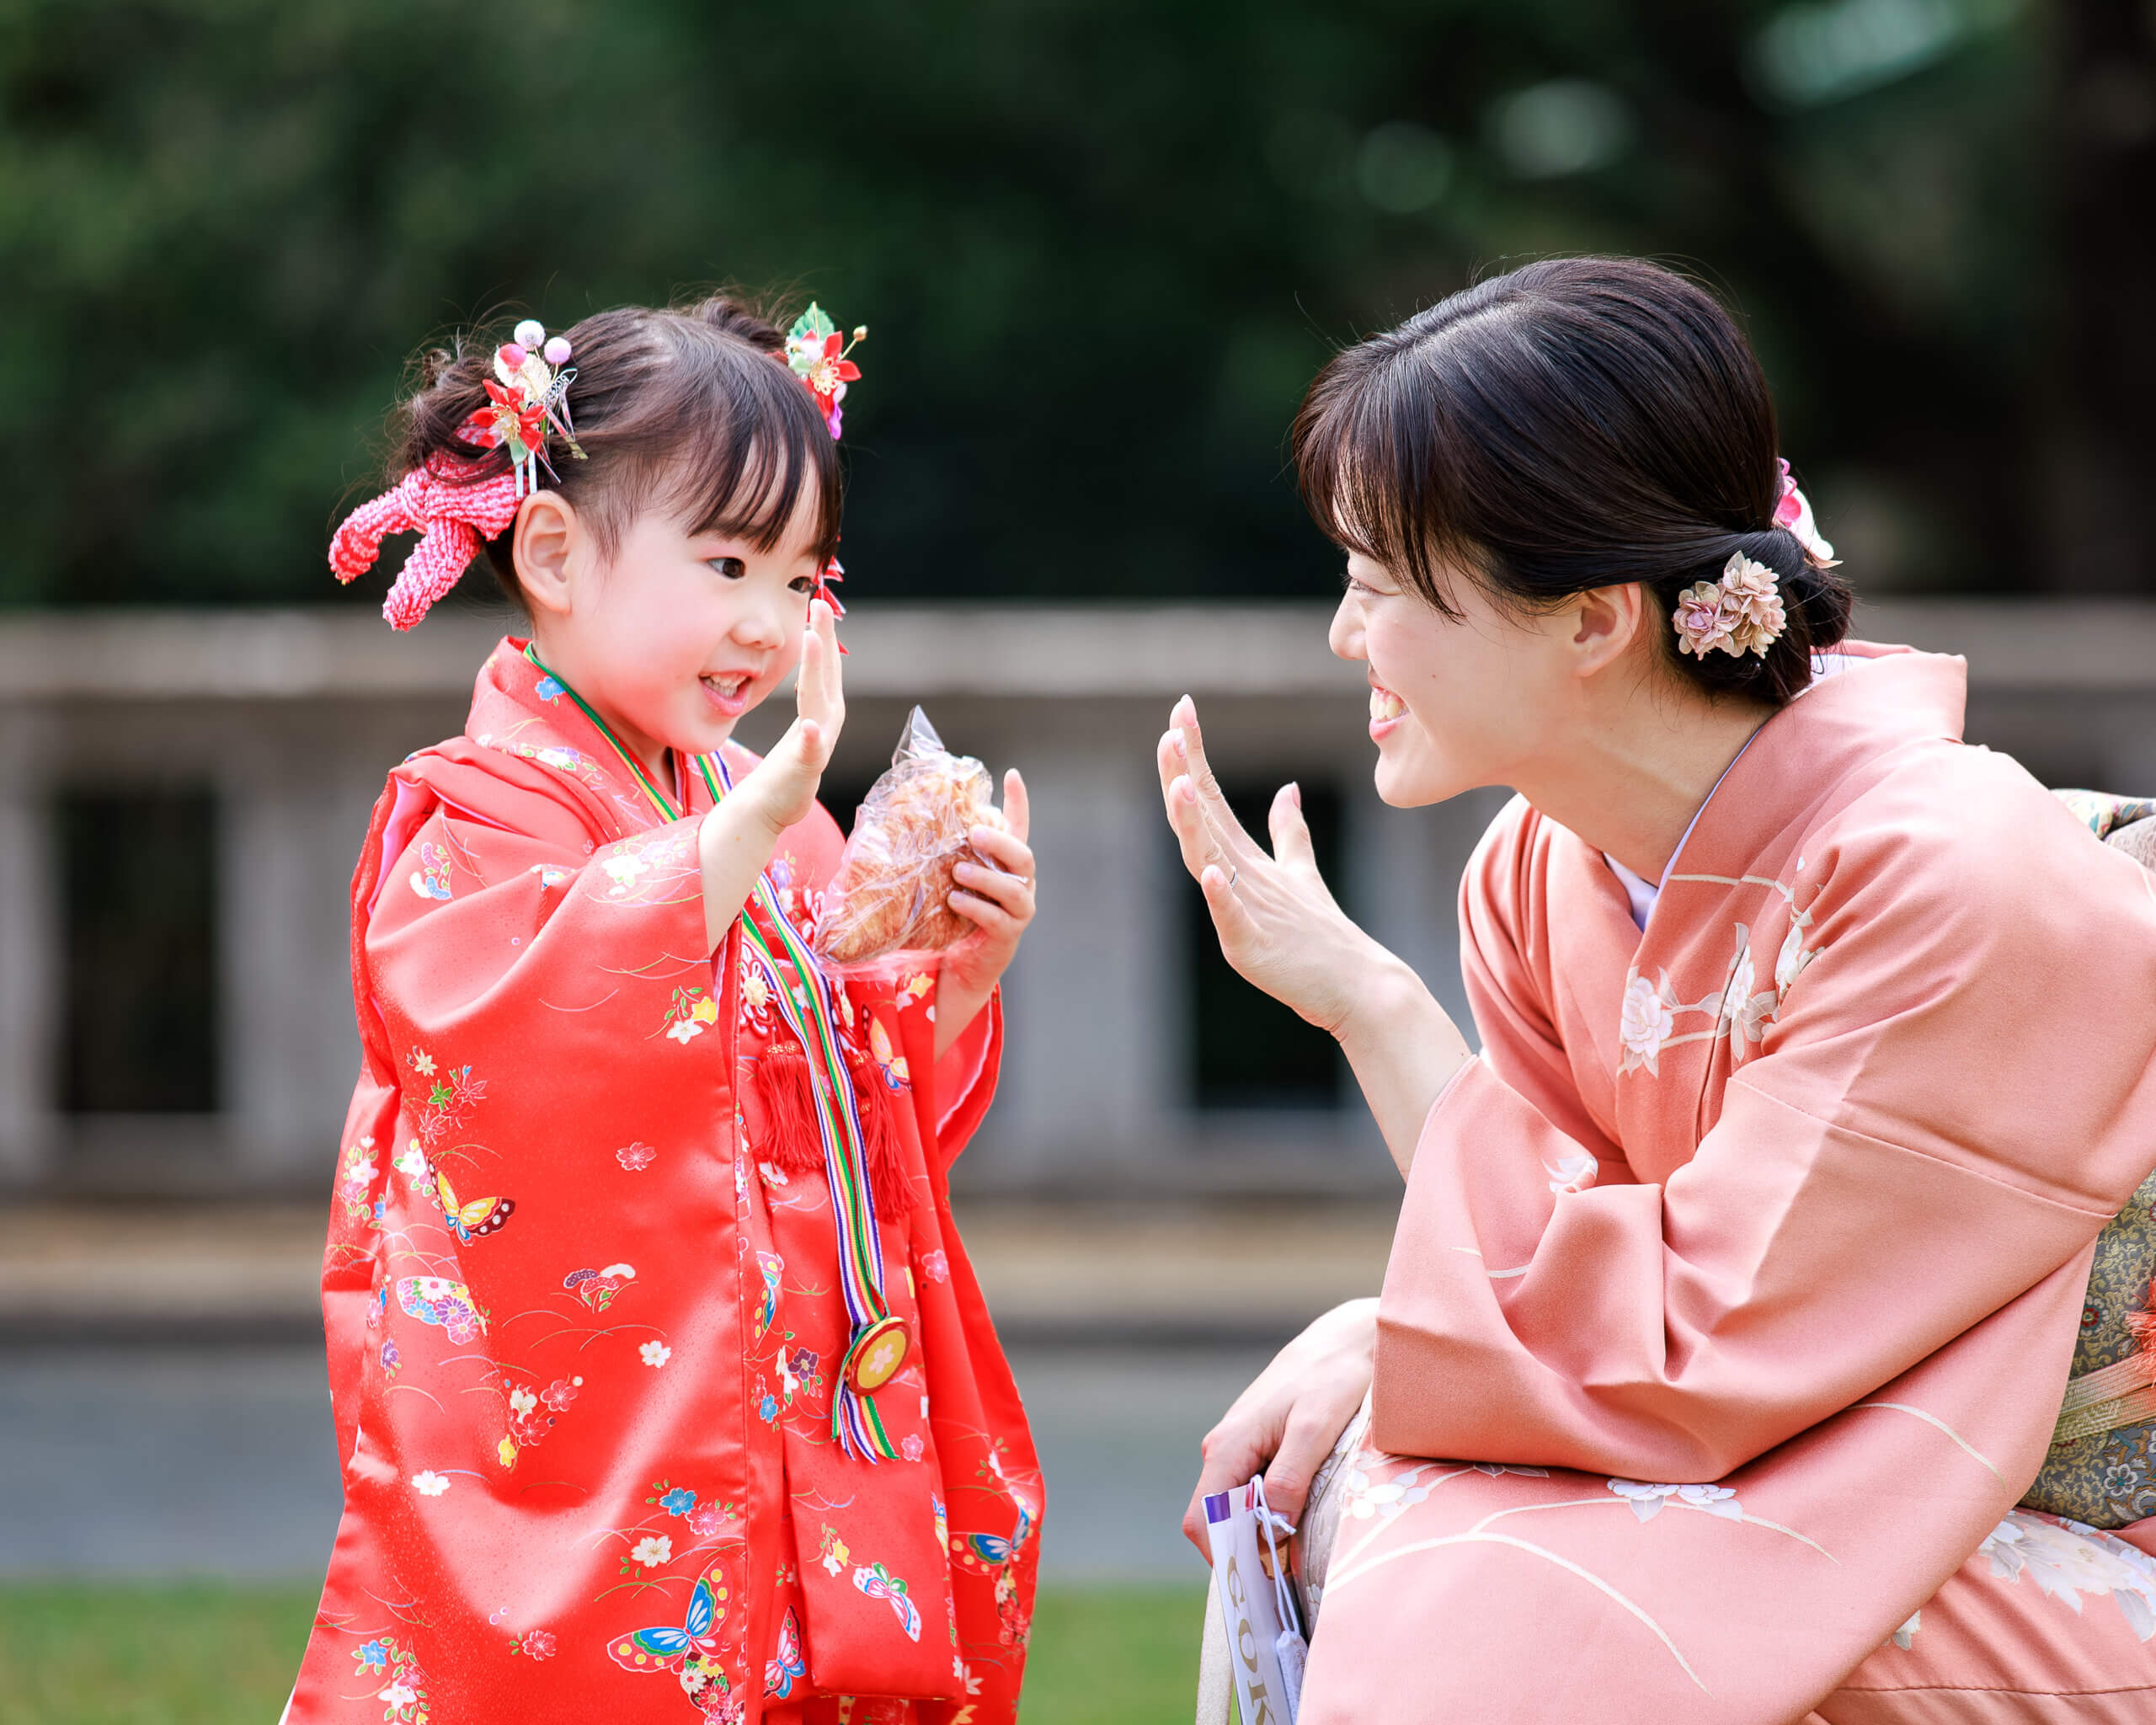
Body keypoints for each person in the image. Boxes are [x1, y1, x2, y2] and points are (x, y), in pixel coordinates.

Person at [1163, 257, 2156, 1722]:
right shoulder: (1532, 874)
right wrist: (1390, 1323)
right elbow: (1557, 1295)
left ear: (1590, 619)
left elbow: (1692, 1352)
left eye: (1380, 586)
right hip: (1813, 1461)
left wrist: (1375, 1016)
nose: (1344, 635)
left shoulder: (1946, 869)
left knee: (1473, 1575)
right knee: (1347, 1487)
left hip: (2080, 1542)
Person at [286, 295, 1042, 1725]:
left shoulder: (757, 812)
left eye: (804, 575)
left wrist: (952, 976)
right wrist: (740, 832)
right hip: (601, 1432)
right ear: (557, 553)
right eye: (727, 561)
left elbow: (839, 1099)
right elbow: (518, 1066)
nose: (769, 623)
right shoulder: (477, 815)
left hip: (781, 1405)